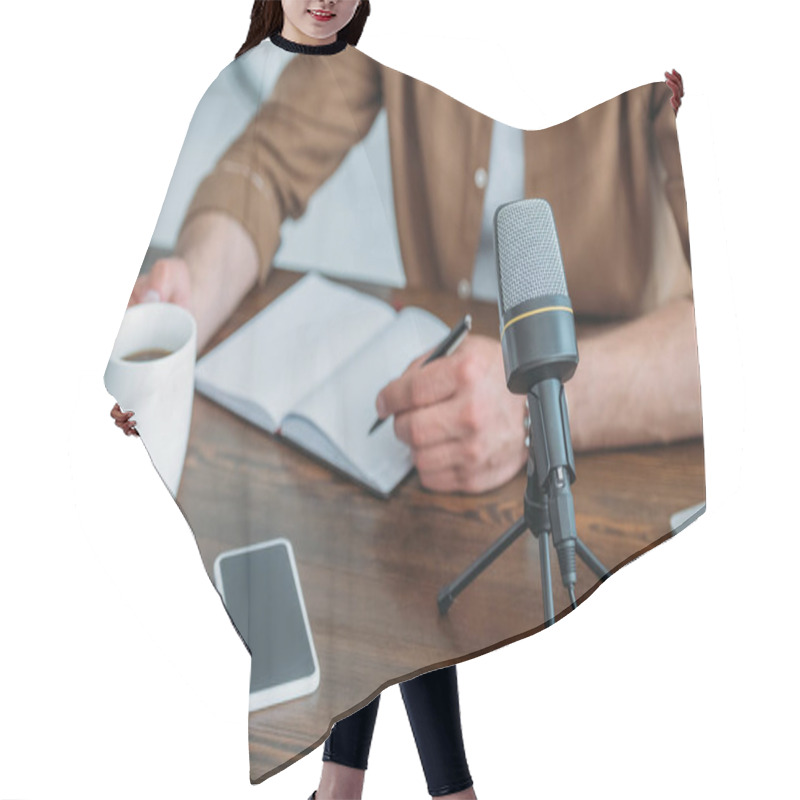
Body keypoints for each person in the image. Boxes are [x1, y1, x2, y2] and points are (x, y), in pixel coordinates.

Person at [110, 3, 695, 798]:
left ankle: (375, 789)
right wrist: (189, 294)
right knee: (371, 566)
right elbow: (268, 164)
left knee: (402, 594)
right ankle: (378, 786)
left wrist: (541, 405)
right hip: (424, 390)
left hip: (607, 420)